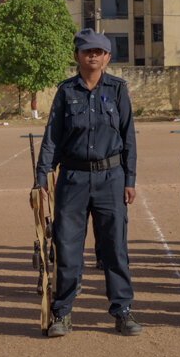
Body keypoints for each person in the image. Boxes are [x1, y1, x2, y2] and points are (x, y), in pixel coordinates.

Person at [33, 29, 138, 337]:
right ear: (76, 56)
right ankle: (62, 311)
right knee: (66, 248)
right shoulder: (66, 92)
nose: (93, 55)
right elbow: (52, 138)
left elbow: (128, 137)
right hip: (73, 179)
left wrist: (129, 180)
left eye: (99, 51)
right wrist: (41, 178)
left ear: (107, 57)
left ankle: (122, 310)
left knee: (115, 247)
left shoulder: (118, 90)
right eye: (87, 51)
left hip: (111, 178)